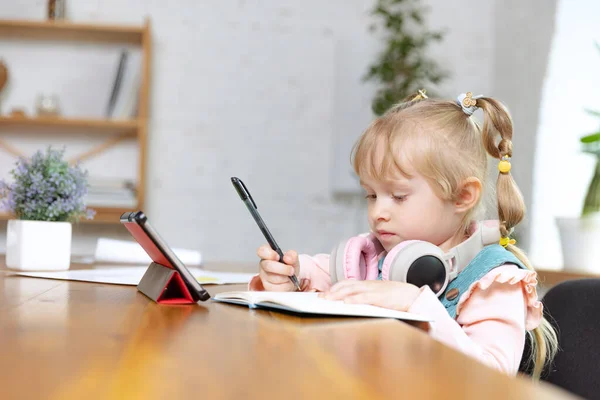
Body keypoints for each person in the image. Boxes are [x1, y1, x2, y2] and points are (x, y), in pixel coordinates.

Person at [248, 90, 557, 379]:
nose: (378, 212)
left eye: (398, 196)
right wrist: (286, 276)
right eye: (371, 195)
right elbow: (318, 275)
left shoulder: (493, 280)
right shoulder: (376, 256)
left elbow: (492, 376)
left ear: (462, 196)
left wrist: (416, 305)